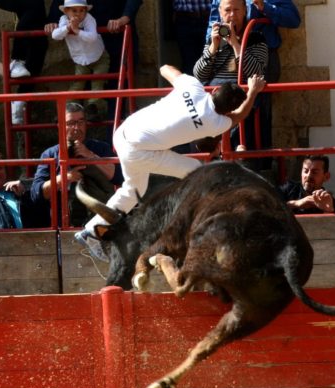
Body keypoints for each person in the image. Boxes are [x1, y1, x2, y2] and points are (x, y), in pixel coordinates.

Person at [75, 64, 266, 261]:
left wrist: (181, 85)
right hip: (139, 150)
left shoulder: (193, 86)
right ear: (226, 112)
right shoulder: (216, 123)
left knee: (134, 190)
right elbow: (241, 115)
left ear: (215, 90)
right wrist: (253, 91)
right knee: (197, 172)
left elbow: (164, 68)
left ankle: (90, 232)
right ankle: (193, 223)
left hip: (125, 131)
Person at [206, 0, 300, 157]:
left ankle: (256, 160)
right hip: (227, 55)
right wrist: (213, 46)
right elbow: (211, 28)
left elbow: (293, 19)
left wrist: (265, 7)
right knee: (220, 100)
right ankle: (222, 154)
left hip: (261, 54)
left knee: (256, 107)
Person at [31, 102, 122, 226]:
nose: (76, 128)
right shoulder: (50, 154)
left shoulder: (100, 148)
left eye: (80, 122)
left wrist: (90, 156)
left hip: (99, 222)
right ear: (60, 125)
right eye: (70, 123)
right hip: (63, 224)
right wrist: (64, 178)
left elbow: (119, 177)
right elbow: (36, 194)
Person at [51, 0, 110, 120]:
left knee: (98, 81)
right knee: (78, 83)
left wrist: (77, 31)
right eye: (74, 10)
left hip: (99, 56)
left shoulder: (89, 18)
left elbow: (92, 36)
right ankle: (66, 110)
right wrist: (68, 28)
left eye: (82, 10)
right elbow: (55, 35)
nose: (78, 14)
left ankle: (92, 108)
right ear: (66, 12)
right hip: (80, 59)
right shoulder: (63, 20)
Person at [172, 0, 212, 76]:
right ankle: (190, 87)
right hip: (185, 20)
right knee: (189, 62)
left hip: (208, 19)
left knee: (209, 59)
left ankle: (208, 87)